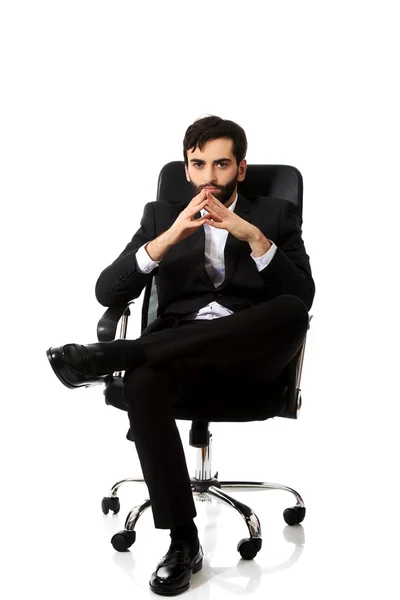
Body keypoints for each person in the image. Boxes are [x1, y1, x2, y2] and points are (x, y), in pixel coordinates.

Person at [47, 115, 315, 596]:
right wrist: (169, 237)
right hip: (178, 354)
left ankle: (113, 354)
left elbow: (303, 297)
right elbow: (107, 289)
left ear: (241, 168)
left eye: (221, 164)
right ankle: (182, 541)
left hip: (249, 361)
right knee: (146, 381)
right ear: (187, 170)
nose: (209, 176)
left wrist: (253, 237)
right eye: (198, 165)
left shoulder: (274, 216)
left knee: (291, 311)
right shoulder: (159, 215)